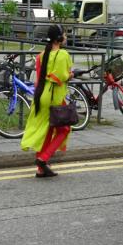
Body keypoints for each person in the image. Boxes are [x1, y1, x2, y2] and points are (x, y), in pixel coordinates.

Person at [21, 25, 74, 178]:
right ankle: (43, 158)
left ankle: (41, 169)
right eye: (64, 34)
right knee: (64, 130)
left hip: (41, 95)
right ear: (59, 38)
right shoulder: (63, 54)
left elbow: (38, 80)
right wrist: (70, 75)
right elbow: (63, 76)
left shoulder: (41, 55)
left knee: (46, 130)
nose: (66, 36)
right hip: (54, 96)